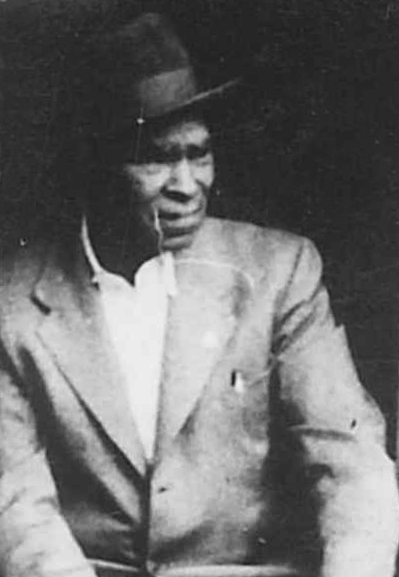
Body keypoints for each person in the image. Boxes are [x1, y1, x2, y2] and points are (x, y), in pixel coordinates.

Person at [0, 12, 398, 577]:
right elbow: (17, 507)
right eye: (158, 158)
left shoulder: (280, 272)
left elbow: (350, 461)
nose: (188, 185)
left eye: (199, 154)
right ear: (95, 163)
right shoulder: (11, 302)